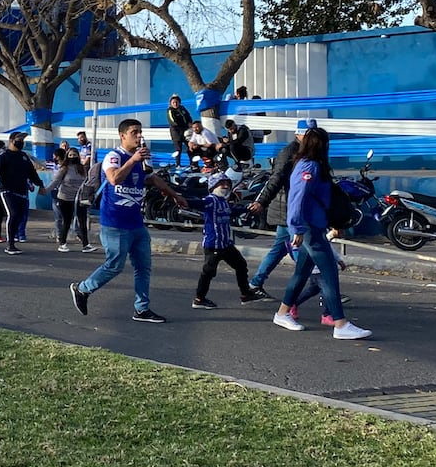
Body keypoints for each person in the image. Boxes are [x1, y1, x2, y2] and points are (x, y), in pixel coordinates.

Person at [70, 118, 187, 323]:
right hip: (115, 223)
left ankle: (142, 309)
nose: (139, 135)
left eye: (140, 131)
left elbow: (151, 178)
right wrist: (133, 160)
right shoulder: (114, 157)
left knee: (143, 267)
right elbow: (114, 178)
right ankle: (82, 289)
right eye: (134, 132)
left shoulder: (141, 159)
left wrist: (173, 194)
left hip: (136, 224)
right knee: (114, 265)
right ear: (122, 135)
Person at [271, 126, 372, 338]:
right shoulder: (309, 167)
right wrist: (296, 227)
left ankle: (282, 313)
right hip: (309, 227)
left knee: (302, 273)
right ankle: (340, 323)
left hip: (313, 225)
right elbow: (297, 198)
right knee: (328, 273)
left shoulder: (310, 165)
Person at [245, 119, 315, 298]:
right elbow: (275, 180)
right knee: (302, 251)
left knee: (278, 249)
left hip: (292, 209)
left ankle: (255, 283)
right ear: (297, 134)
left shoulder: (308, 153)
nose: (311, 138)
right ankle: (322, 287)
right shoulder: (289, 153)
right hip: (288, 209)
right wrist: (262, 201)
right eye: (308, 135)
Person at [193, 173, 254, 308]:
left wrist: (247, 208)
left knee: (241, 265)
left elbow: (233, 211)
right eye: (222, 183)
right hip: (213, 245)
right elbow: (197, 203)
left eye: (228, 184)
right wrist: (180, 199)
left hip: (226, 245)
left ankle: (246, 294)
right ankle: (199, 299)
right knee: (208, 272)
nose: (226, 186)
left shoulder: (224, 202)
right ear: (214, 186)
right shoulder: (210, 201)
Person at [0, 131, 42, 254]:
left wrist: (40, 185)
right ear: (11, 140)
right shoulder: (3, 156)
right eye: (19, 139)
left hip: (21, 191)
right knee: (12, 214)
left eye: (23, 140)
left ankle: (15, 237)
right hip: (7, 190)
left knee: (19, 216)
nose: (21, 142)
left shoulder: (23, 156)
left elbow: (32, 172)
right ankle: (10, 244)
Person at [47, 148, 92, 252]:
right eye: (70, 155)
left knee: (82, 220)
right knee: (66, 221)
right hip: (65, 198)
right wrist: (46, 190)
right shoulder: (64, 168)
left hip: (79, 198)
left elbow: (86, 182)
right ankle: (62, 243)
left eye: (75, 155)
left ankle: (86, 244)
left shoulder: (82, 168)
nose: (73, 157)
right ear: (67, 156)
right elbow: (56, 181)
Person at [166, 94, 193, 165]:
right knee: (178, 149)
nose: (175, 104)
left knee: (190, 147)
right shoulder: (170, 110)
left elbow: (188, 116)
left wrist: (190, 123)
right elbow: (173, 121)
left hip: (186, 132)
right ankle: (178, 165)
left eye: (176, 102)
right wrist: (184, 125)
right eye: (173, 102)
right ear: (171, 103)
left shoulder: (182, 108)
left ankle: (193, 164)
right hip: (176, 133)